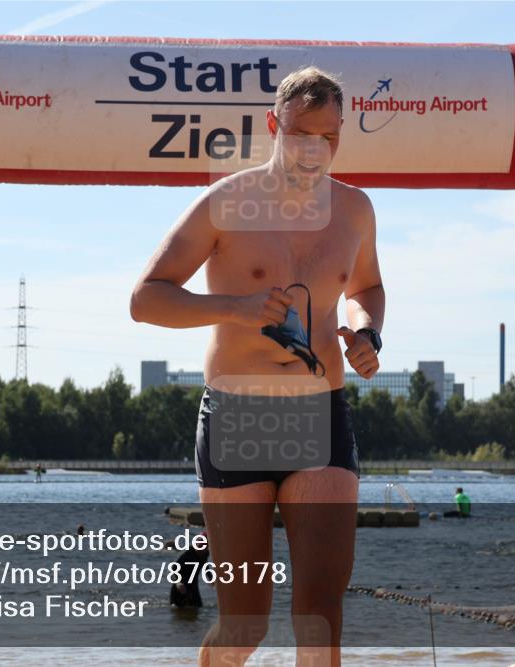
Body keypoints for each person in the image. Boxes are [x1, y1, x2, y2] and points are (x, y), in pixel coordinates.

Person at [131, 66, 384, 667]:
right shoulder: (226, 203)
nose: (313, 150)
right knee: (245, 626)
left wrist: (368, 330)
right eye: (300, 134)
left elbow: (368, 285)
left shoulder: (355, 210)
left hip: (320, 412)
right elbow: (146, 300)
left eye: (328, 137)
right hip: (238, 417)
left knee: (320, 620)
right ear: (273, 125)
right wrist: (238, 309)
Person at [169, 531, 211, 609]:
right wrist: (178, 583)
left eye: (204, 547)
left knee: (198, 608)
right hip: (181, 587)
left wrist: (210, 578)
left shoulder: (205, 554)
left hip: (193, 586)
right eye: (199, 545)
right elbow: (173, 568)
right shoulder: (187, 553)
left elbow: (205, 564)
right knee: (178, 612)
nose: (200, 549)